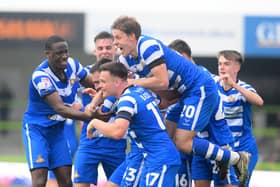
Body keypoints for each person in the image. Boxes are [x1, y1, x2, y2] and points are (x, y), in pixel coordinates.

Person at [111, 16, 250, 187]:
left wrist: (134, 82)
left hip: (199, 89)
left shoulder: (147, 46)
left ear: (132, 36)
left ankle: (235, 157)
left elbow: (161, 81)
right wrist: (103, 104)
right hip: (182, 94)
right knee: (166, 139)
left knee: (182, 142)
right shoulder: (125, 59)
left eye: (118, 37)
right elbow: (119, 85)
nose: (115, 43)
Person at [86, 62, 181, 186]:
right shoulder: (137, 90)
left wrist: (94, 123)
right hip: (150, 157)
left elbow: (117, 132)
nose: (100, 87)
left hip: (159, 158)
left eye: (103, 82)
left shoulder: (128, 99)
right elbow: (158, 104)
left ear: (117, 82)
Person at [22, 35, 96, 187]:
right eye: (59, 53)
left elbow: (94, 84)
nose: (64, 57)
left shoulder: (73, 65)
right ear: (47, 54)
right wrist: (89, 116)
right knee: (40, 179)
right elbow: (59, 108)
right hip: (37, 129)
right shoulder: (41, 76)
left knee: (66, 181)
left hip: (57, 131)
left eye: (66, 52)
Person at [168, 39, 238, 187]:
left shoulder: (204, 79)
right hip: (197, 145)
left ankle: (236, 158)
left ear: (184, 57)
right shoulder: (183, 83)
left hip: (218, 141)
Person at [73, 58, 127, 187]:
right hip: (90, 142)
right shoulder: (86, 77)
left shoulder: (125, 93)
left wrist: (91, 110)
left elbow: (103, 115)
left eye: (101, 82)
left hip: (116, 145)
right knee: (80, 182)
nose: (97, 86)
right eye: (95, 82)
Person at [216, 50, 264, 187]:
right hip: (224, 148)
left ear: (237, 67)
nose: (222, 67)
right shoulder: (214, 86)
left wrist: (234, 85)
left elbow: (259, 102)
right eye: (220, 64)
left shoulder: (244, 88)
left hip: (244, 148)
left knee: (238, 185)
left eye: (226, 64)